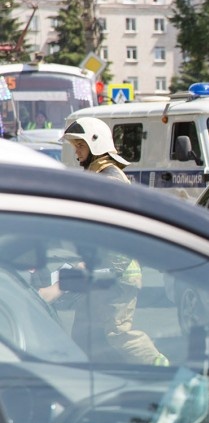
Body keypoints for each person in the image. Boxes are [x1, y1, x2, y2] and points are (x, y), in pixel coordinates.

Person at [61, 116, 169, 366]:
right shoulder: (100, 175)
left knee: (117, 332)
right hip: (104, 271)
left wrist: (109, 270)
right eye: (75, 147)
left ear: (96, 145)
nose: (77, 153)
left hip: (118, 274)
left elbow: (121, 230)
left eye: (80, 146)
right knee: (84, 332)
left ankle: (165, 370)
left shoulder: (108, 179)